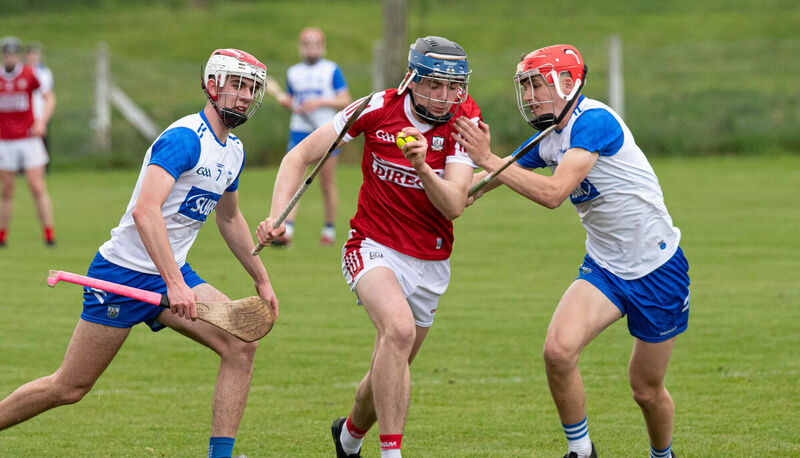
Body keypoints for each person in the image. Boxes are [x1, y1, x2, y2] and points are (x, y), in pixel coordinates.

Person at [0, 48, 279, 458]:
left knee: (241, 345)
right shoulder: (184, 139)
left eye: (251, 89)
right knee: (70, 387)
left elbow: (230, 219)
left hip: (171, 274)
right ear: (213, 84)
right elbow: (145, 211)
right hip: (121, 275)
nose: (243, 96)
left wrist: (261, 279)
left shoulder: (232, 151)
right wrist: (175, 283)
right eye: (237, 85)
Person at [452, 44, 688, 458]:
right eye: (524, 88)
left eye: (537, 85)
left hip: (657, 270)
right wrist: (434, 180)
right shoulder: (549, 137)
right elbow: (484, 182)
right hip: (605, 269)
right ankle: (581, 451)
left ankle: (662, 455)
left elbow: (554, 194)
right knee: (558, 351)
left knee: (645, 390)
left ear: (567, 82)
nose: (529, 97)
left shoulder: (593, 121)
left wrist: (487, 159)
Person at [256, 36, 481, 458]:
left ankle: (348, 438)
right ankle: (391, 453)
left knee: (388, 372)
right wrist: (279, 217)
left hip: (431, 260)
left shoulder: (465, 120)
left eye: (454, 86)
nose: (445, 96)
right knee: (398, 331)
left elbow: (452, 206)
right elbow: (299, 155)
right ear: (412, 79)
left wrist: (421, 167)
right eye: (435, 84)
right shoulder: (377, 109)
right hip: (372, 245)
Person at [267, 27, 352, 247]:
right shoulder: (293, 72)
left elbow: (345, 100)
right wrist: (287, 102)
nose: (311, 49)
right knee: (295, 182)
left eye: (315, 44)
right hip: (299, 131)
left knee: (326, 184)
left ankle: (329, 230)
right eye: (307, 45)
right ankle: (287, 230)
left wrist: (320, 102)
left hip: (327, 131)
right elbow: (293, 100)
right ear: (300, 47)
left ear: (322, 47)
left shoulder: (331, 70)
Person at [0, 36, 57, 246]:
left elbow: (49, 98)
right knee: (6, 190)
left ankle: (49, 234)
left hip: (28, 139)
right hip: (5, 141)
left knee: (36, 186)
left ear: (18, 55)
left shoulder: (29, 74)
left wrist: (42, 122)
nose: (10, 57)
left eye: (13, 53)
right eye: (6, 54)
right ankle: (2, 235)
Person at [24, 42, 55, 155]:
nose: (32, 57)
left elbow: (49, 94)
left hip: (40, 109)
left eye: (35, 54)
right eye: (30, 54)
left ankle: (43, 168)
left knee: (41, 140)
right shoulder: (22, 72)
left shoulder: (45, 72)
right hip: (26, 111)